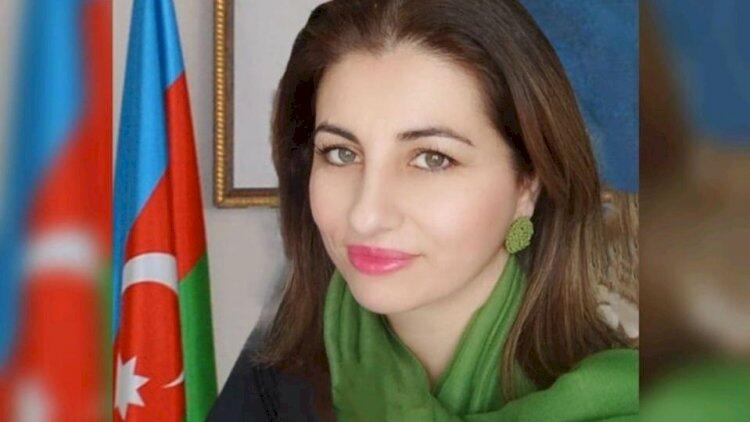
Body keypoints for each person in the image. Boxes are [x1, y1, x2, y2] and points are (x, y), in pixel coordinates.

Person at [208, 0, 638, 420]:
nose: (365, 215)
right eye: (340, 153)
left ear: (527, 183)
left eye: (432, 159)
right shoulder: (275, 372)